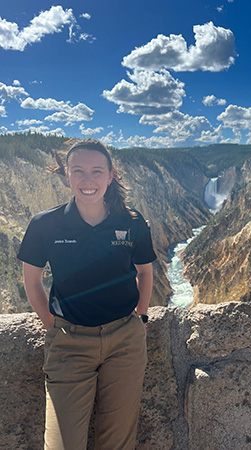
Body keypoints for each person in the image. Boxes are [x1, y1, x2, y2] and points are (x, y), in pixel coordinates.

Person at [17, 139, 156, 450]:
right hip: (68, 342)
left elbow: (145, 273)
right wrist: (51, 325)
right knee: (61, 445)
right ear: (68, 175)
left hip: (125, 340)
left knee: (118, 442)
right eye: (78, 170)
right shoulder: (44, 225)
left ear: (110, 175)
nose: (87, 179)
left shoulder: (132, 223)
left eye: (96, 171)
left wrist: (142, 317)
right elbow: (32, 281)